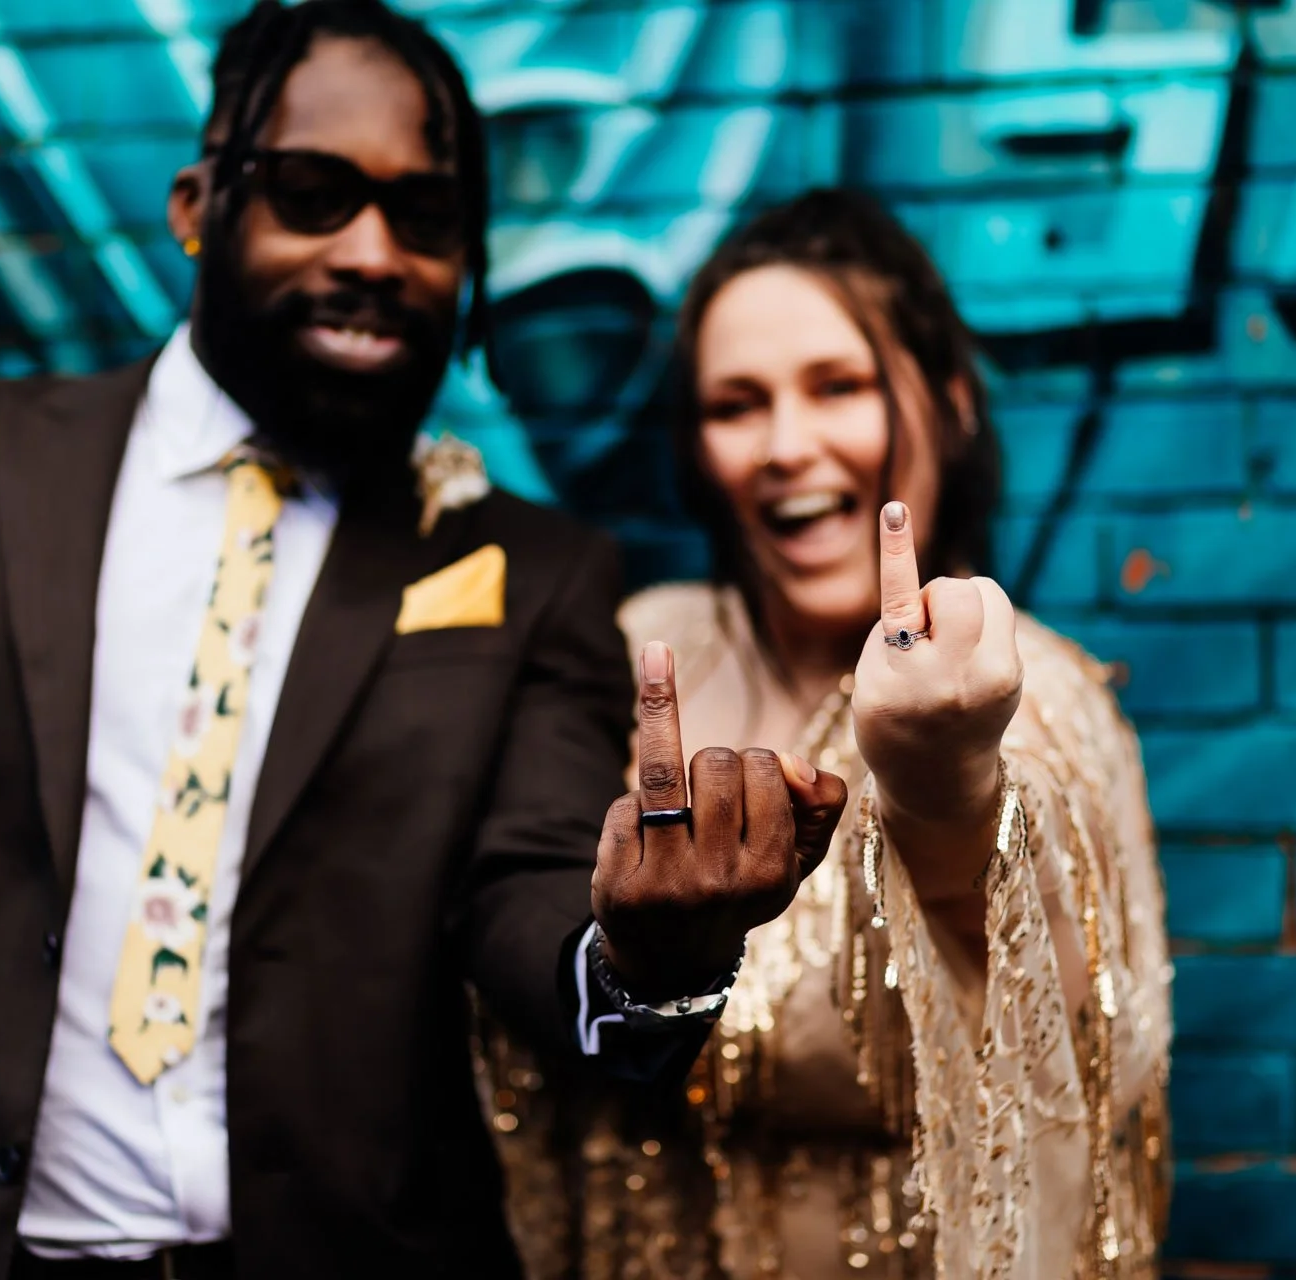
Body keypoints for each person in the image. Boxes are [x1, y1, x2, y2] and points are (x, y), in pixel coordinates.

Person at [0, 5, 850, 1277]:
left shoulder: (533, 571)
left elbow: (537, 896)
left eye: (428, 218)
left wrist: (644, 951)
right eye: (313, 194)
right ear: (197, 204)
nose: (375, 252)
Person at [477, 189, 1173, 1279]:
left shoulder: (1035, 697)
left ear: (948, 403)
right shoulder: (633, 651)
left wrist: (941, 780)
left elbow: (1043, 1040)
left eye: (839, 387)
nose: (784, 446)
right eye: (735, 404)